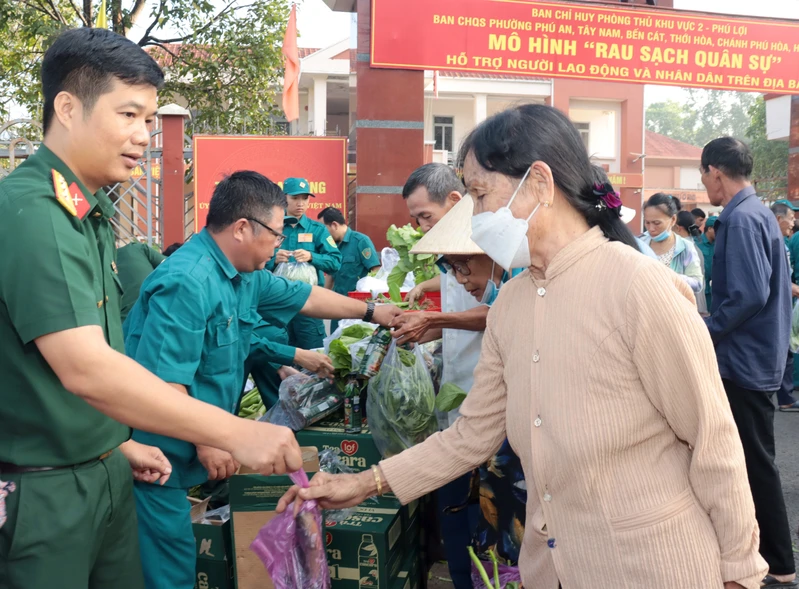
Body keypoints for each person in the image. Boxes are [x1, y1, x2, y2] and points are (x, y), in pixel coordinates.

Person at [280, 104, 767, 589]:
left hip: (652, 565)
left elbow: (713, 441)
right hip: (552, 566)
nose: (475, 218)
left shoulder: (638, 286)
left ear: (538, 183)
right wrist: (363, 484)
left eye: (479, 193)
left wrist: (740, 572)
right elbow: (469, 438)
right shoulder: (512, 303)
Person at [0, 28, 304, 589]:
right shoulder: (34, 210)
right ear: (67, 107)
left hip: (105, 467)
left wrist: (119, 442)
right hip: (45, 492)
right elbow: (85, 367)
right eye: (129, 115)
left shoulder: (83, 214)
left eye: (149, 119)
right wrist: (233, 432)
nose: (142, 136)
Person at [124, 171, 400, 589]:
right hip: (158, 457)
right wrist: (210, 439)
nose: (279, 243)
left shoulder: (243, 274)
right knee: (170, 571)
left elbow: (305, 297)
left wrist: (371, 312)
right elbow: (165, 385)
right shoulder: (188, 281)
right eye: (275, 233)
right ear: (241, 228)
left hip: (190, 448)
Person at [409, 196, 527, 570]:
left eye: (462, 267)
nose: (460, 279)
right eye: (451, 269)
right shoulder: (507, 290)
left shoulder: (522, 289)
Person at [702, 137, 795, 587]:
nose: (704, 186)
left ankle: (778, 561)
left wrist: (705, 328)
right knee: (751, 458)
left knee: (754, 462)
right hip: (759, 353)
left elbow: (749, 294)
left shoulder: (740, 219)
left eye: (704, 176)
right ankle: (769, 555)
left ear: (715, 171)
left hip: (744, 359)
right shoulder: (756, 214)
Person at [391, 163, 483, 589]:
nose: (419, 225)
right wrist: (433, 318)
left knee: (477, 508)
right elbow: (459, 300)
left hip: (483, 391)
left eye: (424, 215)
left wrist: (437, 319)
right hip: (458, 381)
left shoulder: (487, 243)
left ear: (454, 201)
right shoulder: (451, 252)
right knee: (456, 504)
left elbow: (494, 312)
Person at [266, 177, 341, 349]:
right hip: (278, 305)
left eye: (305, 198)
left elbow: (335, 262)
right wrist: (274, 258)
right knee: (278, 357)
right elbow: (254, 261)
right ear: (284, 198)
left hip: (309, 305)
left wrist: (312, 256)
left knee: (312, 357)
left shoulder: (317, 230)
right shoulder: (272, 227)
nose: (301, 203)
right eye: (295, 198)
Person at [318, 206, 380, 333]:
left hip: (359, 310)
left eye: (324, 230)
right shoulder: (331, 247)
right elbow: (330, 276)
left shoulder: (360, 241)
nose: (323, 235)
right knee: (335, 344)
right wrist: (320, 299)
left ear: (334, 225)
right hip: (338, 308)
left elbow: (376, 271)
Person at [639, 192, 705, 309]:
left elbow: (698, 283)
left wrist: (669, 276)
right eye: (647, 222)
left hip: (675, 310)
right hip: (643, 309)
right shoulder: (639, 244)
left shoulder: (686, 248)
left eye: (657, 223)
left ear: (673, 219)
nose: (651, 228)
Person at [770, 201, 799, 413]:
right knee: (780, 351)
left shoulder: (783, 240)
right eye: (790, 218)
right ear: (779, 219)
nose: (793, 222)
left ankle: (785, 397)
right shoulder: (770, 239)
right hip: (775, 305)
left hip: (785, 301)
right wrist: (790, 287)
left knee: (787, 349)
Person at [117, 241, 166, 323]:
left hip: (121, 325)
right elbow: (171, 266)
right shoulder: (136, 249)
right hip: (155, 317)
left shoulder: (97, 267)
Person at [674, 211, 709, 314]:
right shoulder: (695, 248)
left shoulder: (684, 250)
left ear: (678, 228)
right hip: (697, 306)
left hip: (689, 308)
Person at [696, 215, 718, 311]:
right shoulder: (696, 243)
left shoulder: (718, 245)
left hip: (710, 291)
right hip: (699, 289)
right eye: (717, 230)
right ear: (709, 229)